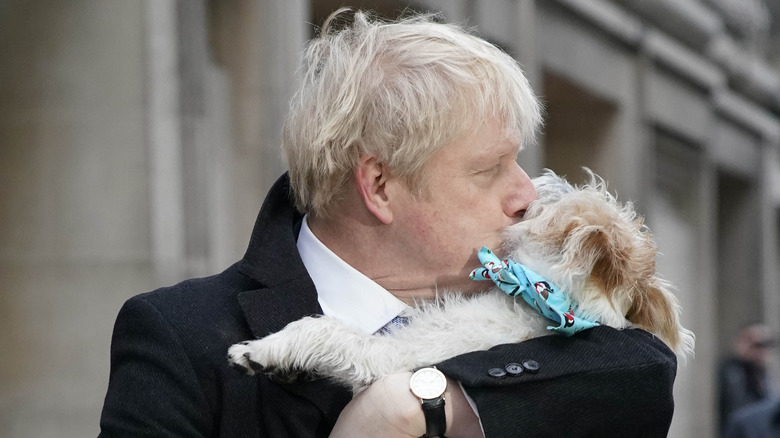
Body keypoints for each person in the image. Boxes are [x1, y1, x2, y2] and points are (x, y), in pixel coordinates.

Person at [98, 9, 678, 438]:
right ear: (378, 186)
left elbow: (649, 371)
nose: (527, 194)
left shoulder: (562, 325)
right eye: (490, 169)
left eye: (518, 160)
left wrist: (424, 402)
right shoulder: (180, 336)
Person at [719, 323, 776, 434]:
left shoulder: (766, 374)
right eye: (756, 345)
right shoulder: (732, 372)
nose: (761, 351)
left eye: (765, 345)